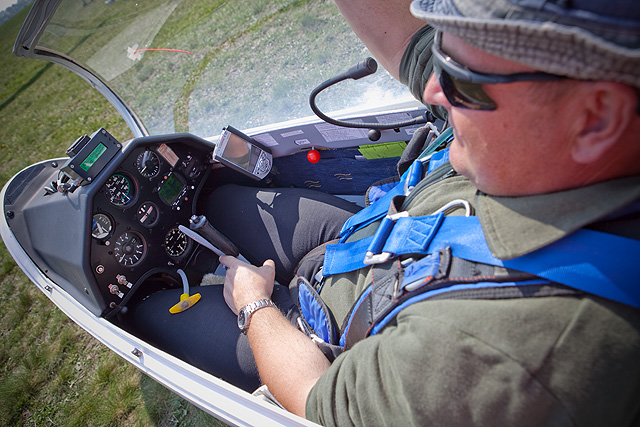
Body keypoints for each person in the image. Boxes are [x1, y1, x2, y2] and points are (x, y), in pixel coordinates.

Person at [134, 0, 640, 424]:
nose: (435, 91)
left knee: (146, 311)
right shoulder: (552, 130)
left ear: (596, 118)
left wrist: (253, 304)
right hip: (376, 243)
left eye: (463, 80)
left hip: (322, 339)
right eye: (444, 54)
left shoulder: (500, 356)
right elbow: (407, 45)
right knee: (218, 199)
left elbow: (314, 396)